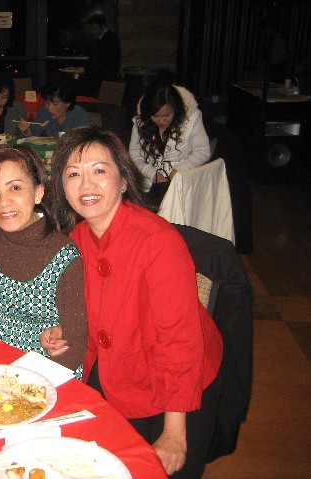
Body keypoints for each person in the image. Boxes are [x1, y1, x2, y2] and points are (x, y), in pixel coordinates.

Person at [42, 127, 223, 478]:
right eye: (73, 174)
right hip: (116, 372)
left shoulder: (158, 242)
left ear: (124, 180)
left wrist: (174, 433)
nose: (86, 185)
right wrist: (65, 330)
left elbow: (180, 340)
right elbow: (92, 310)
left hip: (177, 388)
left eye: (99, 170)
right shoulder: (76, 239)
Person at [0, 144, 87, 377]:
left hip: (45, 371)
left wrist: (28, 385)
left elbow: (76, 342)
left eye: (15, 188)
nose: (4, 202)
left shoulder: (64, 256)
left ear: (38, 192)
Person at [128, 79, 211, 208]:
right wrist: (152, 174)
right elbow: (134, 154)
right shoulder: (141, 122)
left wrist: (179, 170)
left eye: (167, 115)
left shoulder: (191, 120)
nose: (162, 120)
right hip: (149, 185)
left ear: (175, 109)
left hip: (183, 183)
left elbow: (203, 151)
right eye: (155, 116)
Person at [18, 79, 91, 138]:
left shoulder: (80, 115)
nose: (49, 108)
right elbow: (34, 134)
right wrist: (26, 130)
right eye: (47, 103)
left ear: (68, 103)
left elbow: (85, 141)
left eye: (55, 104)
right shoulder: (44, 111)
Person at [72, 13, 122, 98]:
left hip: (106, 80)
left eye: (94, 29)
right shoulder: (100, 38)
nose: (92, 32)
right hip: (101, 79)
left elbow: (105, 63)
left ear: (103, 26)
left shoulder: (110, 40)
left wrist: (86, 69)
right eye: (91, 29)